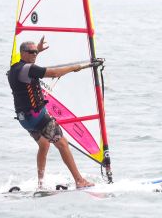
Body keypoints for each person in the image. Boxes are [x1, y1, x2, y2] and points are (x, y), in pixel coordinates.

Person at [7, 36, 97, 189]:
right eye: (32, 52)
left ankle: (41, 183)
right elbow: (54, 73)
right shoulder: (29, 69)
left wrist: (38, 50)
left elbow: (27, 62)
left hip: (25, 120)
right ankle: (80, 181)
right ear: (22, 53)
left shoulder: (14, 69)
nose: (35, 54)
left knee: (44, 145)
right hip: (38, 117)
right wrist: (76, 67)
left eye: (36, 52)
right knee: (62, 144)